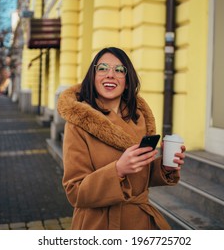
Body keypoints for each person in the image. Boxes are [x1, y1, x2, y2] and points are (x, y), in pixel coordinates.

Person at [57, 47, 186, 230]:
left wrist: (163, 166)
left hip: (139, 223)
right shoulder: (78, 123)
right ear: (93, 78)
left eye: (119, 70)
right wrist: (117, 170)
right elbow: (75, 192)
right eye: (102, 68)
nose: (110, 74)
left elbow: (140, 178)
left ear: (126, 82)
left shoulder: (140, 119)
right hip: (99, 225)